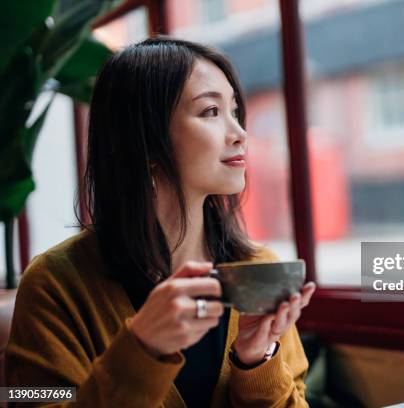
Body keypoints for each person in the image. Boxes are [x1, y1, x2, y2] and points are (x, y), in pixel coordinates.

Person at [6, 37, 316, 407]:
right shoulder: (53, 284)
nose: (240, 134)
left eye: (235, 111)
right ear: (146, 140)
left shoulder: (259, 270)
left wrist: (255, 361)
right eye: (211, 112)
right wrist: (142, 349)